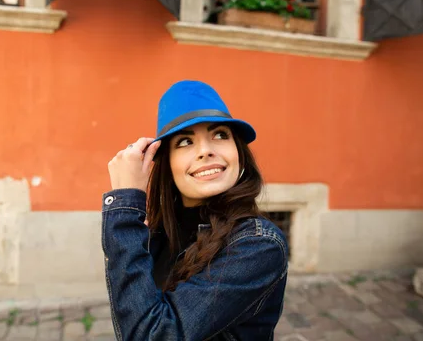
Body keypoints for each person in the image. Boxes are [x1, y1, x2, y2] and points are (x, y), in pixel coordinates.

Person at [102, 80, 289, 340]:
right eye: (185, 142)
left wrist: (123, 207)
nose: (205, 151)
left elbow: (150, 335)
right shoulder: (157, 234)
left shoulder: (258, 245)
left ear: (239, 152)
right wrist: (131, 238)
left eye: (220, 135)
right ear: (168, 164)